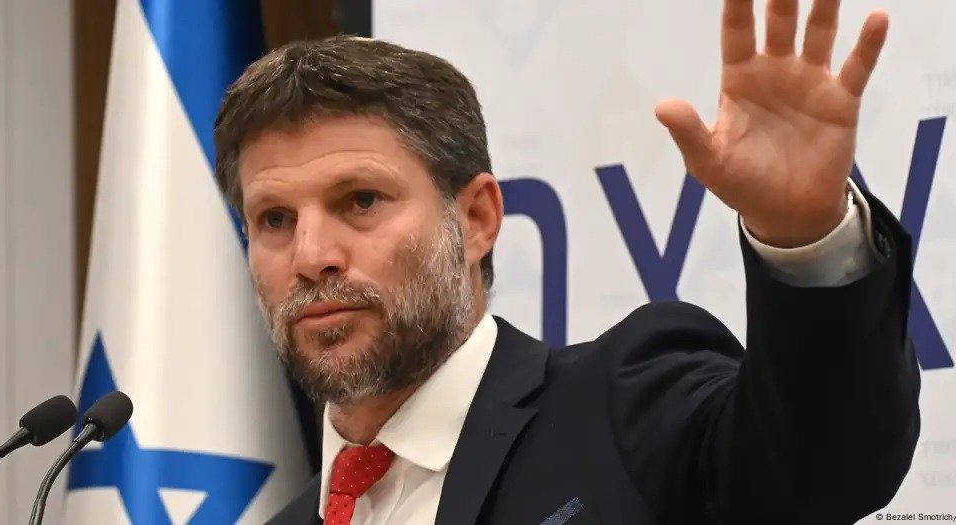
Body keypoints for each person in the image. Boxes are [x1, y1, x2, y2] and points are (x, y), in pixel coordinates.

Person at [215, 0, 920, 523]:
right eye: (275, 219)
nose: (312, 256)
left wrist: (803, 232)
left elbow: (826, 468)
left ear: (477, 219)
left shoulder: (625, 409)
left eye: (361, 200)